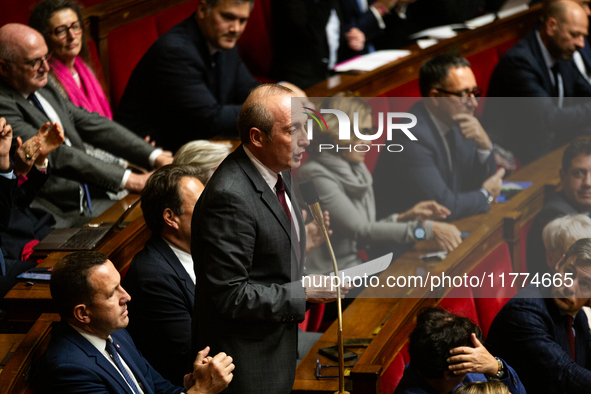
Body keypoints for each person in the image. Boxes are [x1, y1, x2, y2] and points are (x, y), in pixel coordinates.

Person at [192, 84, 349, 393]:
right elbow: (230, 295)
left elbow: (272, 258)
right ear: (256, 137)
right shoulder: (230, 197)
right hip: (249, 361)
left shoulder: (279, 167)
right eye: (294, 130)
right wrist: (303, 292)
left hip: (277, 341)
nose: (306, 138)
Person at [0, 24, 173, 227]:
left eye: (46, 58)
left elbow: (91, 124)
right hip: (54, 211)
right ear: (4, 68)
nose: (46, 68)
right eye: (33, 62)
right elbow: (57, 154)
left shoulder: (42, 85)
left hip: (88, 194)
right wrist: (132, 180)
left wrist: (154, 155)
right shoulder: (3, 105)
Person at [295, 96, 462, 274]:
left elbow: (367, 227)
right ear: (339, 131)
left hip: (359, 266)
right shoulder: (313, 173)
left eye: (370, 131)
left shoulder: (355, 167)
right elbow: (362, 231)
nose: (369, 141)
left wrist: (406, 217)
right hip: (332, 277)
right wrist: (426, 230)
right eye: (362, 132)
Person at [42, 251, 234, 394]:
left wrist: (193, 384)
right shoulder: (71, 370)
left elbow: (159, 389)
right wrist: (200, 391)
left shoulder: (116, 333)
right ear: (83, 313)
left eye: (120, 285)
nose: (126, 296)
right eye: (112, 293)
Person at [373, 54, 504, 223]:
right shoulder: (409, 136)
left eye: (474, 92)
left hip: (439, 228)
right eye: (463, 94)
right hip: (405, 240)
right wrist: (485, 195)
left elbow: (484, 183)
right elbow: (444, 206)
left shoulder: (457, 121)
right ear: (435, 97)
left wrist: (484, 146)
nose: (474, 103)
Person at [115, 0, 259, 151]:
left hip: (192, 144)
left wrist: (279, 93)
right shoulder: (176, 51)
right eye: (228, 17)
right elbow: (211, 119)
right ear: (203, 9)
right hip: (146, 157)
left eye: (242, 20)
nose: (235, 28)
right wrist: (270, 108)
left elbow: (247, 88)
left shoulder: (223, 38)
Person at [123, 165, 204, 386]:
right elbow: (192, 356)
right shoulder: (153, 278)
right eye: (202, 206)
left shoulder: (205, 248)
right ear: (171, 217)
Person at [485, 0, 591, 165]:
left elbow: (584, 93)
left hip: (553, 144)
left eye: (583, 36)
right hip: (518, 157)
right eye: (574, 34)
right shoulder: (519, 62)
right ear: (551, 26)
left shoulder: (561, 51)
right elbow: (549, 118)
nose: (581, 44)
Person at [487, 237, 591, 394]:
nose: (570, 287)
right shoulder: (525, 310)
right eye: (569, 272)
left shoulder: (575, 314)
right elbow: (565, 374)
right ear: (559, 263)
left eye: (584, 284)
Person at [0, 117, 64, 298]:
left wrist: (37, 161)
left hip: (34, 229)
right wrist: (7, 165)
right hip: (13, 247)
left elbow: (17, 201)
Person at [393, 307, 525, 394]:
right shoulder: (461, 363)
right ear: (449, 374)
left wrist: (497, 368)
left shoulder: (465, 362)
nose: (476, 364)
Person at [29, 0, 112, 119]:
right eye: (61, 31)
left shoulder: (85, 68)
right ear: (44, 37)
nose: (72, 36)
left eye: (75, 26)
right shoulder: (46, 83)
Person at [526, 139, 591, 275]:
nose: (588, 182)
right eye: (578, 173)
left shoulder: (584, 205)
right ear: (563, 176)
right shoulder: (556, 215)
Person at [273, 0, 366, 89]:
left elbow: (332, 33)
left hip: (332, 74)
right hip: (302, 81)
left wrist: (349, 38)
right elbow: (310, 35)